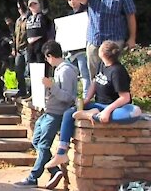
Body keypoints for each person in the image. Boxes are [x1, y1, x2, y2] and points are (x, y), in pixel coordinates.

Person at [45, 41, 142, 169]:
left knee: (122, 114)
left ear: (103, 53)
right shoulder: (102, 64)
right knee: (69, 113)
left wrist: (107, 111)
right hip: (97, 104)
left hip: (113, 107)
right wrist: (86, 100)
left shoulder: (118, 71)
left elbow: (125, 98)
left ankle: (91, 115)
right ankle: (61, 152)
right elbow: (95, 83)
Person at [14, 40, 78, 189]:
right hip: (48, 111)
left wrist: (52, 87)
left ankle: (33, 177)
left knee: (43, 144)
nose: (47, 61)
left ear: (50, 55)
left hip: (57, 113)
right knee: (36, 141)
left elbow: (67, 97)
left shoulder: (66, 71)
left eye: (47, 57)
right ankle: (54, 170)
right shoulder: (59, 69)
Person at [70, 0, 137, 80]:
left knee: (114, 75)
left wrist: (132, 38)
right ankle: (96, 97)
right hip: (94, 41)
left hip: (115, 42)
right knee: (95, 77)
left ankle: (114, 97)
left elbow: (130, 16)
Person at [17, 0, 52, 76]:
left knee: (42, 68)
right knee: (32, 70)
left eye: (35, 4)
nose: (33, 6)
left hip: (41, 43)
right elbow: (21, 4)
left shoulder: (43, 15)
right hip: (30, 45)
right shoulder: (27, 16)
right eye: (31, 5)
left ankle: (45, 89)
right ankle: (34, 89)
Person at [64, 0, 91, 98]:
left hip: (82, 49)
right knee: (71, 75)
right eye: (69, 0)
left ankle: (86, 97)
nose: (72, 2)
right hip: (71, 50)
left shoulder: (86, 12)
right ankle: (72, 97)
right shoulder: (69, 16)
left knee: (85, 74)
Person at [13, 3, 29, 98]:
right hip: (19, 49)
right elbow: (15, 35)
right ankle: (22, 90)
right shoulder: (18, 20)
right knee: (18, 70)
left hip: (27, 47)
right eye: (18, 8)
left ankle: (30, 91)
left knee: (28, 71)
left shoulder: (29, 18)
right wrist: (14, 49)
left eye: (21, 7)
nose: (20, 9)